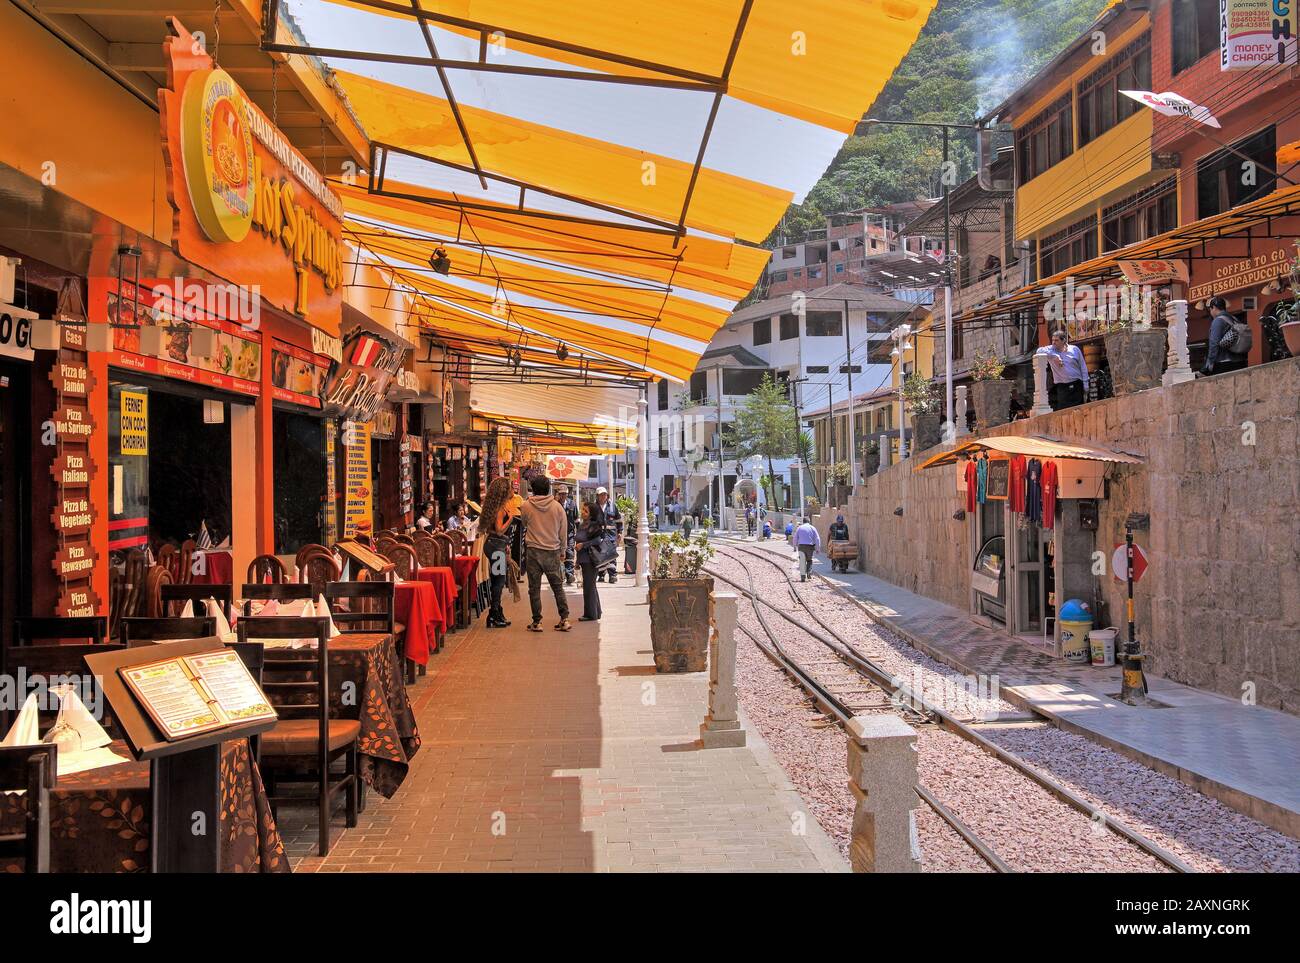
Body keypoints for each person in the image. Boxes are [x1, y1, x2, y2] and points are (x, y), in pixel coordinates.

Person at [517, 475, 571, 632]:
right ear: (548, 489)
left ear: (533, 489)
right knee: (557, 586)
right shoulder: (557, 507)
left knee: (534, 588)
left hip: (533, 551)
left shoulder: (526, 505)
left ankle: (537, 622)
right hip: (552, 551)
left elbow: (525, 523)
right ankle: (564, 619)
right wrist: (563, 551)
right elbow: (563, 532)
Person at [479, 478, 517, 628]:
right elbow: (500, 530)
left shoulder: (494, 506)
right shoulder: (500, 509)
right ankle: (494, 614)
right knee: (499, 581)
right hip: (496, 547)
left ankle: (496, 612)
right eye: (509, 488)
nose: (512, 491)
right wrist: (511, 518)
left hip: (494, 545)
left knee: (497, 580)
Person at [1036, 328, 1089, 410]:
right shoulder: (1051, 349)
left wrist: (1086, 384)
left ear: (1063, 340)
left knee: (1079, 410)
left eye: (1056, 340)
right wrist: (1054, 356)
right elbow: (1039, 351)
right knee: (1064, 411)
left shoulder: (1074, 349)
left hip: (1077, 385)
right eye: (1053, 340)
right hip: (1062, 387)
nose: (1053, 342)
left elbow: (1083, 367)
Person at [573, 500, 607, 622]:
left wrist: (584, 545)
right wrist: (577, 561)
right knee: (591, 586)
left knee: (588, 587)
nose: (583, 512)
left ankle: (590, 614)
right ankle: (596, 611)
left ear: (591, 514)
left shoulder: (593, 526)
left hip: (590, 560)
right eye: (583, 510)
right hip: (583, 559)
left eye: (586, 511)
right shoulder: (582, 525)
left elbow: (598, 541)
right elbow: (578, 542)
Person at [1202, 295, 1250, 377]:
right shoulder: (1234, 319)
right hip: (1240, 362)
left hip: (1224, 364)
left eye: (1210, 309)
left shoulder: (1218, 321)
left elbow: (1214, 343)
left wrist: (1209, 363)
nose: (1210, 312)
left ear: (1213, 308)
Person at [594, 487, 621, 583]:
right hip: (599, 535)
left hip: (611, 535)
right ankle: (601, 575)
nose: (603, 496)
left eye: (604, 494)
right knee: (601, 555)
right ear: (597, 496)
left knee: (611, 555)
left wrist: (620, 533)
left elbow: (618, 520)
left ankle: (613, 575)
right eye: (601, 495)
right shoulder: (594, 507)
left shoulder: (613, 506)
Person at [555, 483, 578, 585]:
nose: (563, 496)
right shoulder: (555, 505)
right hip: (556, 534)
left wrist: (579, 535)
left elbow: (577, 520)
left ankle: (569, 574)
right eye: (561, 494)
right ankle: (559, 575)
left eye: (565, 494)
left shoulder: (572, 504)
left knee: (569, 553)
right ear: (558, 494)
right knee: (557, 554)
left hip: (569, 534)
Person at [794, 516, 820, 582]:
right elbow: (817, 538)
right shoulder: (812, 528)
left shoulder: (799, 528)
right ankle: (809, 572)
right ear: (809, 521)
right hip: (810, 547)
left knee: (802, 561)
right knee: (809, 560)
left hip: (801, 547)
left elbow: (795, 538)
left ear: (803, 521)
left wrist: (794, 546)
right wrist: (817, 548)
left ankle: (803, 577)